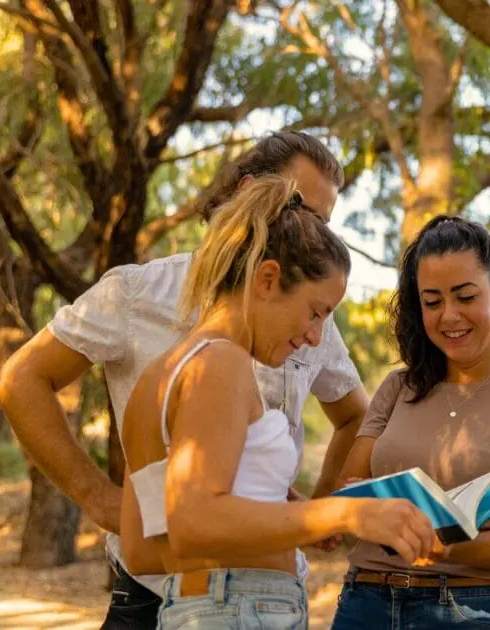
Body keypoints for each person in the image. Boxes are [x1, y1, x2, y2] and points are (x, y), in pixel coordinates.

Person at [0, 131, 370, 629]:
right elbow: (21, 379)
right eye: (298, 208)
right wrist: (99, 499)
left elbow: (352, 417)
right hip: (178, 600)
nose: (311, 230)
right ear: (248, 193)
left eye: (322, 222)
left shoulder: (283, 327)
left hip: (232, 596)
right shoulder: (147, 302)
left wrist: (312, 510)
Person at [118, 174, 436, 630]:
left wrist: (276, 512)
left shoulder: (159, 375)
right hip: (241, 612)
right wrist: (346, 512)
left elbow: (140, 547)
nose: (314, 336)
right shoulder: (220, 364)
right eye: (316, 311)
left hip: (199, 609)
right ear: (267, 279)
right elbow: (196, 521)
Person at [331, 216, 490, 630]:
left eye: (464, 297)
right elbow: (350, 492)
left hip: (467, 610)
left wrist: (440, 550)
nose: (449, 316)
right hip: (365, 601)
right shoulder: (396, 387)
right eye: (432, 301)